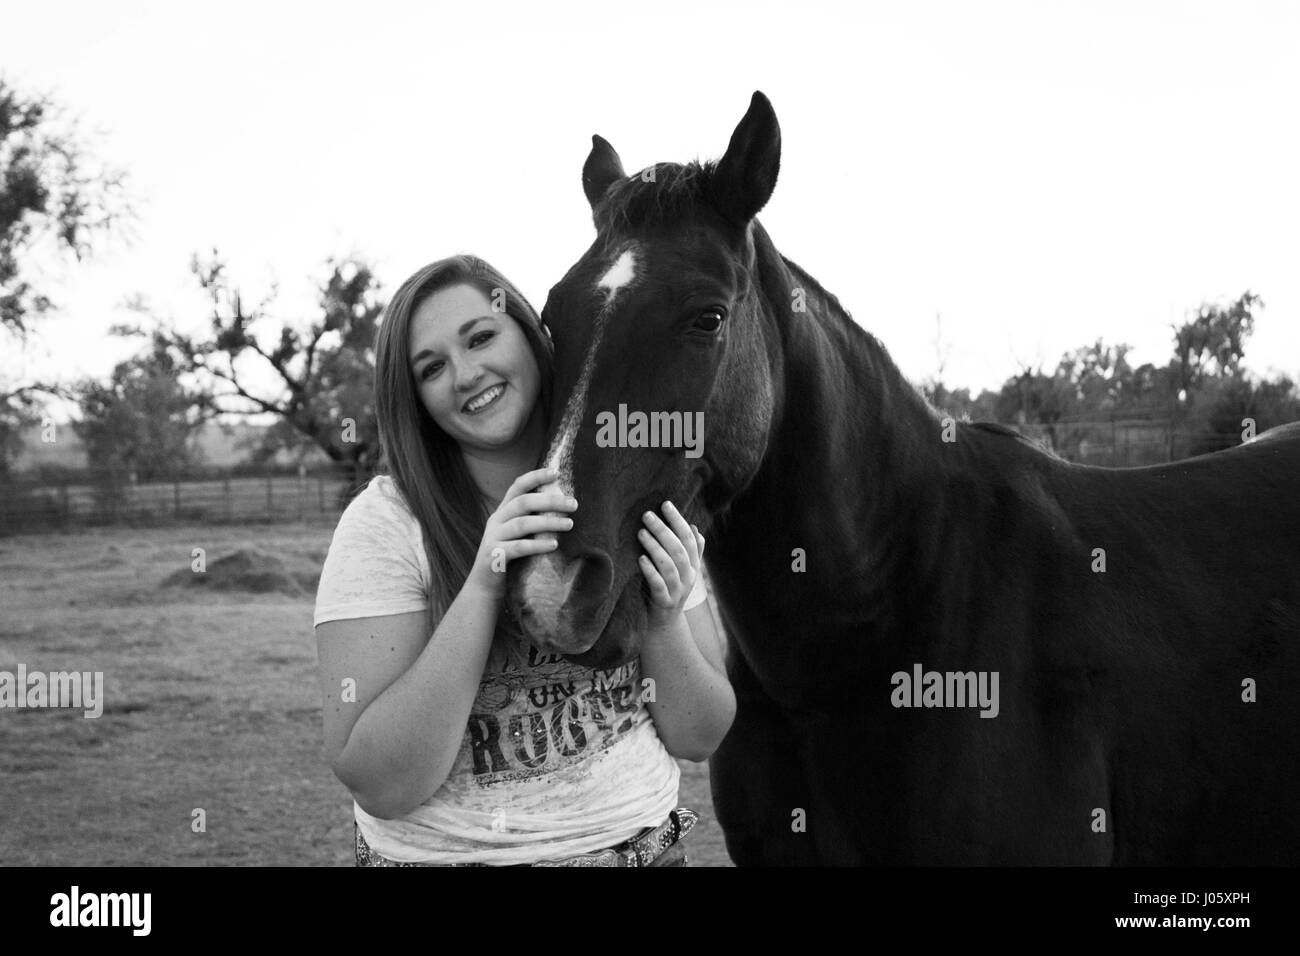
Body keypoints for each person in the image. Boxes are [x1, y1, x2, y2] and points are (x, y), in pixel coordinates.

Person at [313, 254, 735, 866]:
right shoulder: (386, 527)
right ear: (417, 399)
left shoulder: (634, 483)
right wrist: (484, 584)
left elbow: (701, 735)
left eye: (481, 337)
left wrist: (665, 620)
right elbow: (383, 782)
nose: (464, 373)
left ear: (535, 337)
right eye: (432, 368)